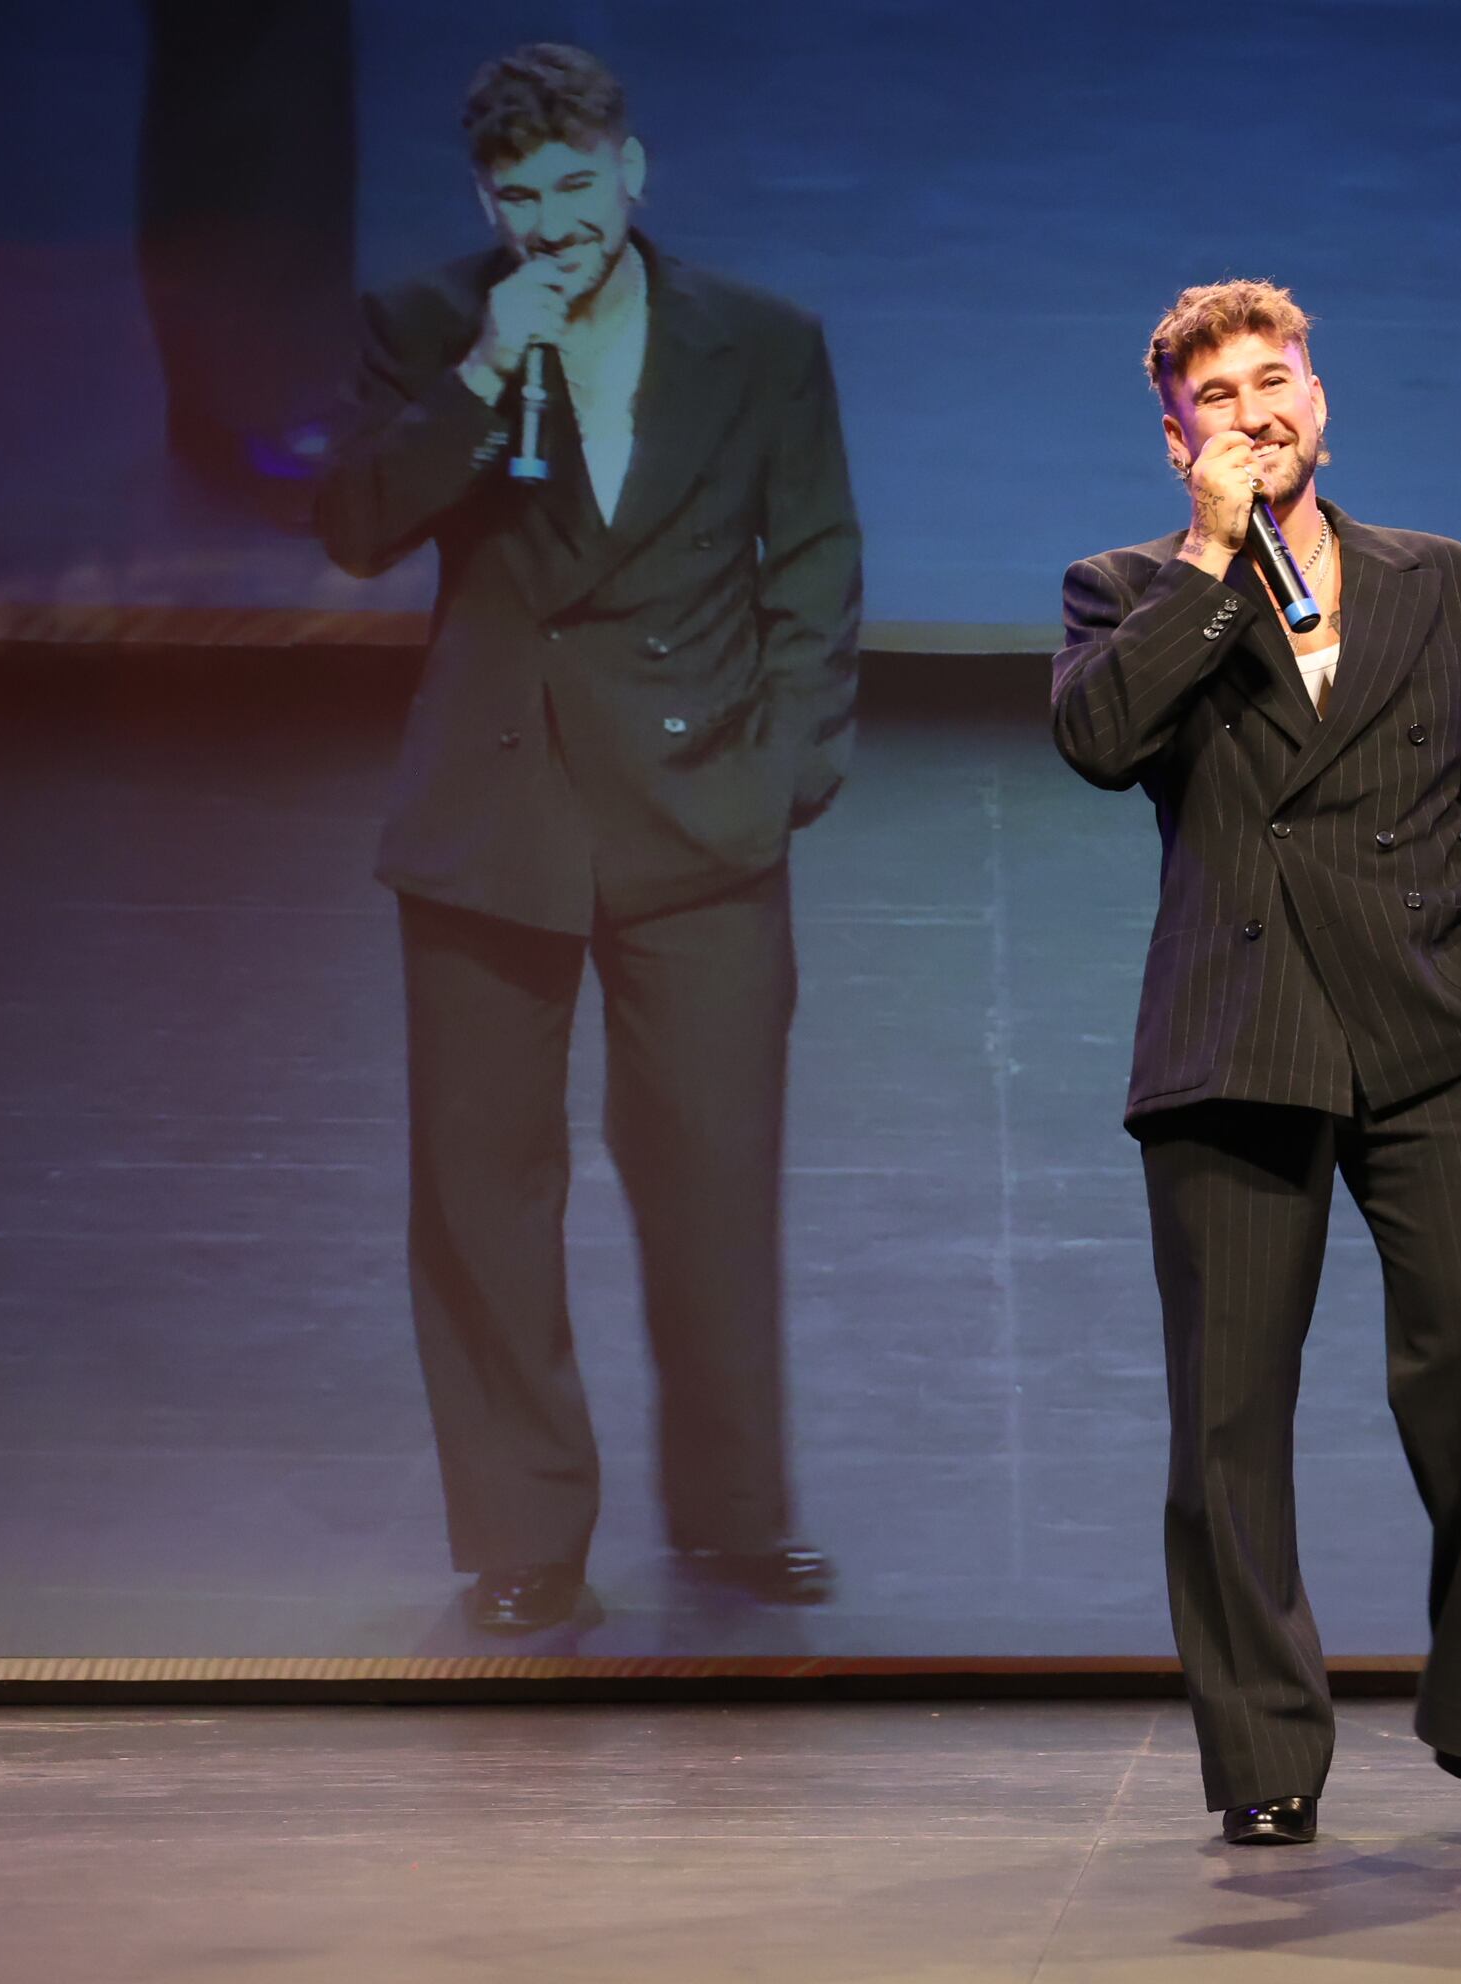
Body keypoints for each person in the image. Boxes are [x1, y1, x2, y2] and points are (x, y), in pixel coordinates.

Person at [314, 43, 860, 1633]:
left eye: (576, 185)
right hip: (494, 812)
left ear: (630, 169)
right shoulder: (428, 327)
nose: (554, 223)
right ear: (487, 201)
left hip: (701, 811)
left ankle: (736, 1517)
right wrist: (487, 376)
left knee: (713, 1175)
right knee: (482, 1187)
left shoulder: (762, 339)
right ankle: (524, 1540)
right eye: (520, 197)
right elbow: (353, 526)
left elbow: (813, 565)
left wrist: (781, 780)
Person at [1049, 280, 1461, 1843]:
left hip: (1439, 1025)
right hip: (1244, 1028)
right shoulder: (1127, 589)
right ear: (1179, 443)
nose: (1255, 413)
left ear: (1322, 397)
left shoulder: (1449, 585)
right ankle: (1266, 1759)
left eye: (1274, 380)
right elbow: (1101, 743)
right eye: (1217, 399)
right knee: (1229, 1419)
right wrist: (1212, 560)